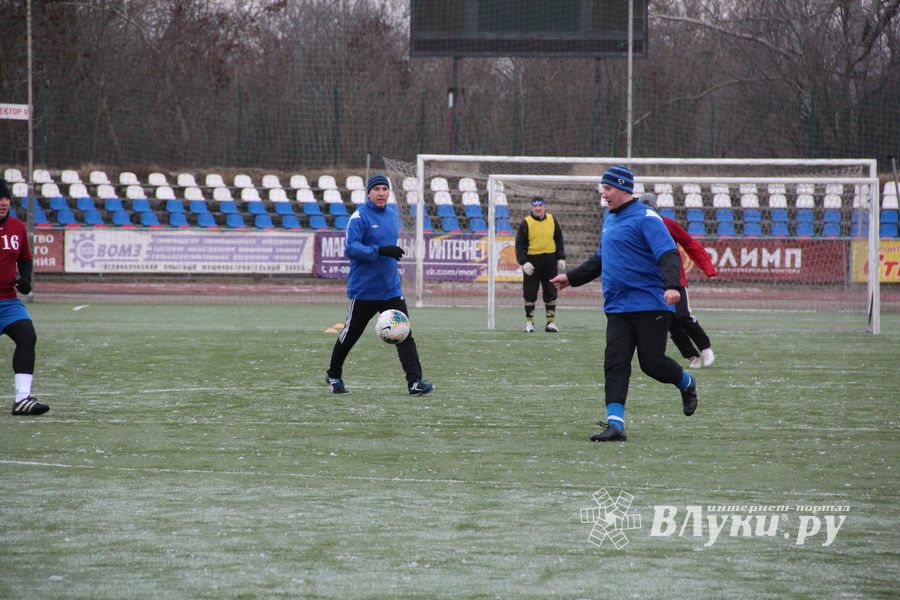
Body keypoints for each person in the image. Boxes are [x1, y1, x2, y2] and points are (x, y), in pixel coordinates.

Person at [550, 166, 698, 442]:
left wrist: (671, 286)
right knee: (615, 363)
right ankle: (615, 425)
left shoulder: (647, 217)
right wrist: (571, 278)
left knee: (652, 364)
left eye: (607, 189)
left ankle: (686, 383)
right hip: (618, 307)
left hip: (651, 305)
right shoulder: (609, 219)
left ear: (622, 188)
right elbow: (600, 260)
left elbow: (668, 254)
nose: (603, 194)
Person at [325, 173, 433, 396]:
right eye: (377, 189)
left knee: (404, 334)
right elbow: (351, 248)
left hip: (391, 289)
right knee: (351, 334)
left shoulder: (392, 215)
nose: (381, 193)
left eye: (385, 189)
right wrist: (380, 250)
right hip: (364, 290)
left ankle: (415, 382)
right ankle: (334, 374)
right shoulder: (359, 217)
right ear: (369, 193)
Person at [641, 193, 717, 368]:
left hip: (675, 281)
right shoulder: (635, 227)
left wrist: (708, 268)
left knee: (683, 316)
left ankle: (705, 347)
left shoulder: (667, 224)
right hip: (654, 284)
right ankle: (692, 356)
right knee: (669, 323)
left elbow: (689, 244)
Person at [0, 179, 47, 415]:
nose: (3, 202)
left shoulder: (17, 227)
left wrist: (26, 280)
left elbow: (25, 258)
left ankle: (22, 399)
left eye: (6, 198)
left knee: (27, 336)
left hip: (8, 302)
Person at [515, 196, 566, 332]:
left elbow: (558, 239)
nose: (538, 208)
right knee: (530, 292)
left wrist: (561, 258)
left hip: (550, 261)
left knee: (551, 291)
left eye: (540, 206)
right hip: (532, 263)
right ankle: (529, 323)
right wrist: (524, 262)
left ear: (544, 207)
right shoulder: (526, 223)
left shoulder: (552, 220)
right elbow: (519, 245)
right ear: (532, 208)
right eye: (535, 206)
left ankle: (551, 323)